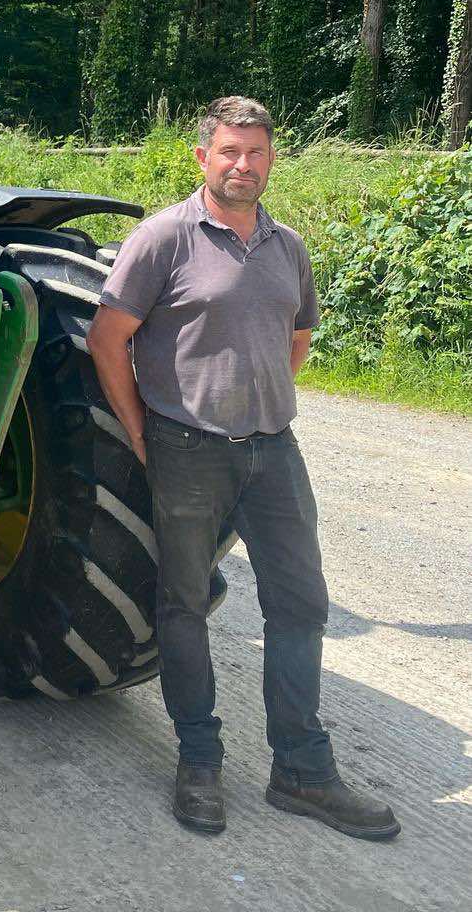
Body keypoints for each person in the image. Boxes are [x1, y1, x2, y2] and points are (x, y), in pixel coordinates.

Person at [86, 96, 399, 841]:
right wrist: (142, 433)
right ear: (203, 157)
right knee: (184, 606)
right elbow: (108, 339)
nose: (243, 165)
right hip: (188, 449)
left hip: (273, 452)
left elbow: (297, 335)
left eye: (256, 152)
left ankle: (302, 769)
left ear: (271, 160)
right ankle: (199, 762)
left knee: (300, 604)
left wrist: (267, 400)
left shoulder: (287, 246)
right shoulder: (163, 239)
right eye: (229, 151)